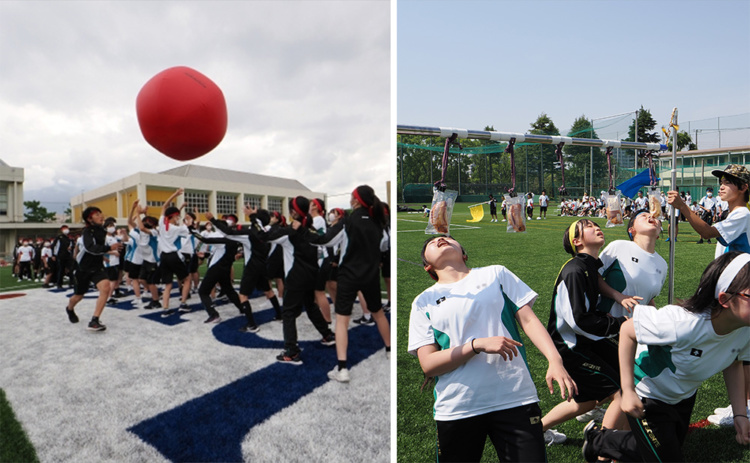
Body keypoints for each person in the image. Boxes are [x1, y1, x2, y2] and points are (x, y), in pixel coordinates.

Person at [408, 234, 577, 462]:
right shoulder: (423, 301)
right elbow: (428, 365)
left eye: (447, 238)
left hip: (515, 397)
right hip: (458, 406)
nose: (440, 240)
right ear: (428, 266)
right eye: (431, 242)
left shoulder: (496, 274)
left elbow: (528, 320)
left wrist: (555, 361)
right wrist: (476, 345)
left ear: (464, 253)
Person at [582, 252, 750, 462]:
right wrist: (627, 391)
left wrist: (740, 414)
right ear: (725, 299)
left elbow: (734, 361)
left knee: (663, 448)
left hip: (684, 396)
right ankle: (602, 441)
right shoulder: (683, 322)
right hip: (649, 396)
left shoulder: (745, 329)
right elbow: (627, 330)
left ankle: (599, 441)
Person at [541, 219, 629, 446]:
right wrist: (619, 323)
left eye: (595, 224)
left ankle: (535, 431)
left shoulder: (589, 266)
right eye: (588, 226)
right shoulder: (574, 270)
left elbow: (597, 285)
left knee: (588, 401)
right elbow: (578, 320)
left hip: (587, 341)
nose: (596, 227)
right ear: (577, 241)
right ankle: (603, 446)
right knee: (620, 392)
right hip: (571, 346)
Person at [307, 186, 391, 382]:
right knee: (378, 313)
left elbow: (325, 240)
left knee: (342, 320)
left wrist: (305, 232)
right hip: (370, 275)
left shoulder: (348, 221)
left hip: (348, 275)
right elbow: (384, 245)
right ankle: (389, 350)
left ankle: (343, 368)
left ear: (355, 201)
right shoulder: (378, 222)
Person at [268, 196, 336, 364]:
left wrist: (258, 220)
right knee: (310, 306)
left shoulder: (292, 231)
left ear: (293, 212)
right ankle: (327, 334)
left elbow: (266, 236)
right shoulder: (311, 228)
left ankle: (291, 351)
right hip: (311, 275)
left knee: (289, 312)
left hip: (295, 277)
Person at [669, 165, 750, 257]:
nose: (721, 187)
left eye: (727, 183)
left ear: (743, 188)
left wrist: (682, 206)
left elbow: (707, 232)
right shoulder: (735, 213)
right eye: (721, 183)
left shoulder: (742, 213)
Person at [65, 207, 123, 331]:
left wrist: (105, 255)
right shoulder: (87, 232)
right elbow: (90, 248)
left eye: (100, 213)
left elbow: (99, 248)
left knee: (106, 288)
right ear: (89, 219)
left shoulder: (102, 230)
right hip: (83, 268)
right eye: (97, 214)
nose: (101, 216)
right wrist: (108, 249)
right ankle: (69, 308)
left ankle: (94, 320)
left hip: (97, 267)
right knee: (78, 296)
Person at [52, 225, 74, 289]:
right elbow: (55, 246)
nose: (66, 230)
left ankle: (72, 282)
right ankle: (59, 283)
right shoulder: (59, 237)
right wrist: (54, 255)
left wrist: (71, 248)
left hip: (68, 255)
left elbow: (72, 245)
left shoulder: (69, 238)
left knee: (71, 269)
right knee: (61, 270)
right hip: (61, 255)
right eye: (64, 229)